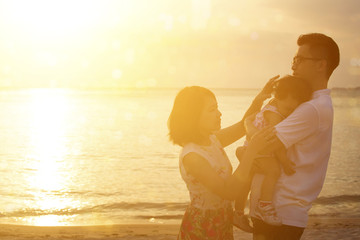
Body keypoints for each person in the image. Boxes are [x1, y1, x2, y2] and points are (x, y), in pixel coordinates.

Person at [249, 33, 340, 240]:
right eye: (294, 59)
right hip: (273, 210)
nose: (293, 66)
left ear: (321, 65)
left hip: (282, 212)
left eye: (300, 59)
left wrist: (249, 125)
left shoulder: (313, 108)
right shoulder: (306, 105)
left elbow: (263, 143)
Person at [168, 84, 277, 240]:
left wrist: (258, 100)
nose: (219, 114)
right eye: (212, 110)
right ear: (193, 116)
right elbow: (228, 191)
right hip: (203, 226)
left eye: (217, 108)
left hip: (221, 220)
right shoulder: (192, 156)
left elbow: (242, 126)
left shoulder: (212, 140)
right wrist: (251, 151)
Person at [233, 75, 313, 231]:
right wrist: (284, 162)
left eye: (294, 109)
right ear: (277, 98)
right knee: (274, 171)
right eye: (288, 109)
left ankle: (238, 212)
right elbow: (276, 143)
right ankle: (265, 204)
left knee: (247, 180)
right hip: (258, 151)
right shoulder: (274, 114)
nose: (290, 113)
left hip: (252, 149)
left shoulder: (274, 106)